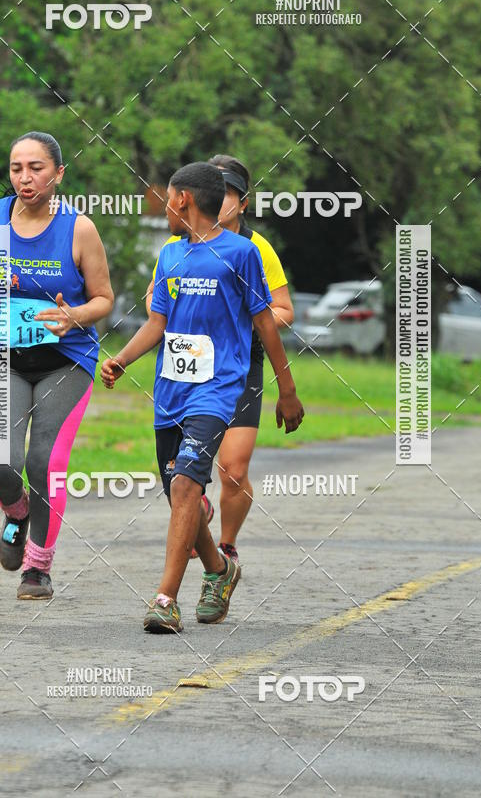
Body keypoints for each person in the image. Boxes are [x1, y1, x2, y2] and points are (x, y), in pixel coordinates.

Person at [101, 161, 303, 633]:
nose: (166, 206)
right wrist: (122, 360)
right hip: (171, 389)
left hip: (218, 389)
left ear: (184, 200)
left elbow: (265, 323)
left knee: (188, 486)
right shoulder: (170, 256)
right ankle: (218, 568)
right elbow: (157, 323)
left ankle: (164, 599)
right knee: (178, 493)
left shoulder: (241, 253)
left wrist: (286, 389)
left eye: (169, 197)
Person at [0, 131, 114, 599]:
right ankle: (16, 513)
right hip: (0, 356)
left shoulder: (79, 228)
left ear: (58, 174)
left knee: (43, 461)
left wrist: (74, 315)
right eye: (16, 169)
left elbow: (104, 299)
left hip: (63, 362)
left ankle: (37, 566)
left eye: (36, 168)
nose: (25, 178)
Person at [146, 154, 294, 563]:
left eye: (232, 193)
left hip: (240, 362)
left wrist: (237, 323)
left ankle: (226, 546)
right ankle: (200, 515)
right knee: (181, 477)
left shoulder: (254, 248)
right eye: (220, 191)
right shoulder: (177, 245)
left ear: (243, 203)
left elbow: (281, 311)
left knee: (233, 468)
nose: (224, 200)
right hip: (186, 365)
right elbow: (155, 303)